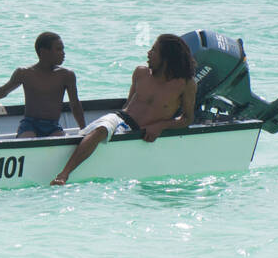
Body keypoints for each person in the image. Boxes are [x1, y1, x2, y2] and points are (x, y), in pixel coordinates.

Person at [51, 34, 198, 186]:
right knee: (102, 128)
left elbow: (187, 119)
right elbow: (128, 105)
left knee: (104, 130)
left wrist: (160, 126)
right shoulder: (141, 72)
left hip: (141, 130)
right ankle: (63, 175)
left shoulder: (186, 84)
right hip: (121, 118)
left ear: (166, 58)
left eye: (154, 51)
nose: (148, 53)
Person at [0, 32, 85, 137]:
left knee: (58, 140)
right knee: (28, 138)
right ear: (43, 52)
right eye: (58, 49)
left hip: (53, 126)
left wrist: (84, 130)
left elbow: (75, 105)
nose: (63, 53)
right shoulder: (25, 73)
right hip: (30, 124)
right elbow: (3, 91)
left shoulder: (67, 75)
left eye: (63, 49)